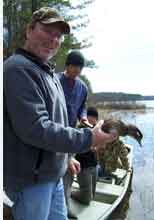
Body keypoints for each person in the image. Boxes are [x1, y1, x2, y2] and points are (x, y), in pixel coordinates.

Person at [3, 7, 117, 220]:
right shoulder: (17, 69)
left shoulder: (48, 74)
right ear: (29, 30)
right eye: (47, 31)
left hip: (54, 174)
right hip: (32, 181)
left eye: (59, 36)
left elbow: (61, 120)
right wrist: (89, 137)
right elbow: (37, 129)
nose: (53, 39)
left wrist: (67, 158)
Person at [58, 51, 89, 219]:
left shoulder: (82, 87)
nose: (77, 71)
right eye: (75, 66)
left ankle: (64, 206)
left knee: (69, 173)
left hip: (71, 136)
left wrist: (83, 116)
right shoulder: (54, 80)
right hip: (52, 135)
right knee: (51, 171)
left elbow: (83, 106)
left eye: (80, 68)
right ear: (67, 65)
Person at [72, 107, 99, 205]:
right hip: (83, 166)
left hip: (94, 165)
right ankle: (71, 193)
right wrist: (88, 146)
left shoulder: (97, 129)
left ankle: (83, 193)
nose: (92, 120)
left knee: (93, 195)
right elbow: (75, 147)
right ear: (86, 117)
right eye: (90, 117)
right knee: (86, 199)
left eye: (95, 118)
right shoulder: (79, 129)